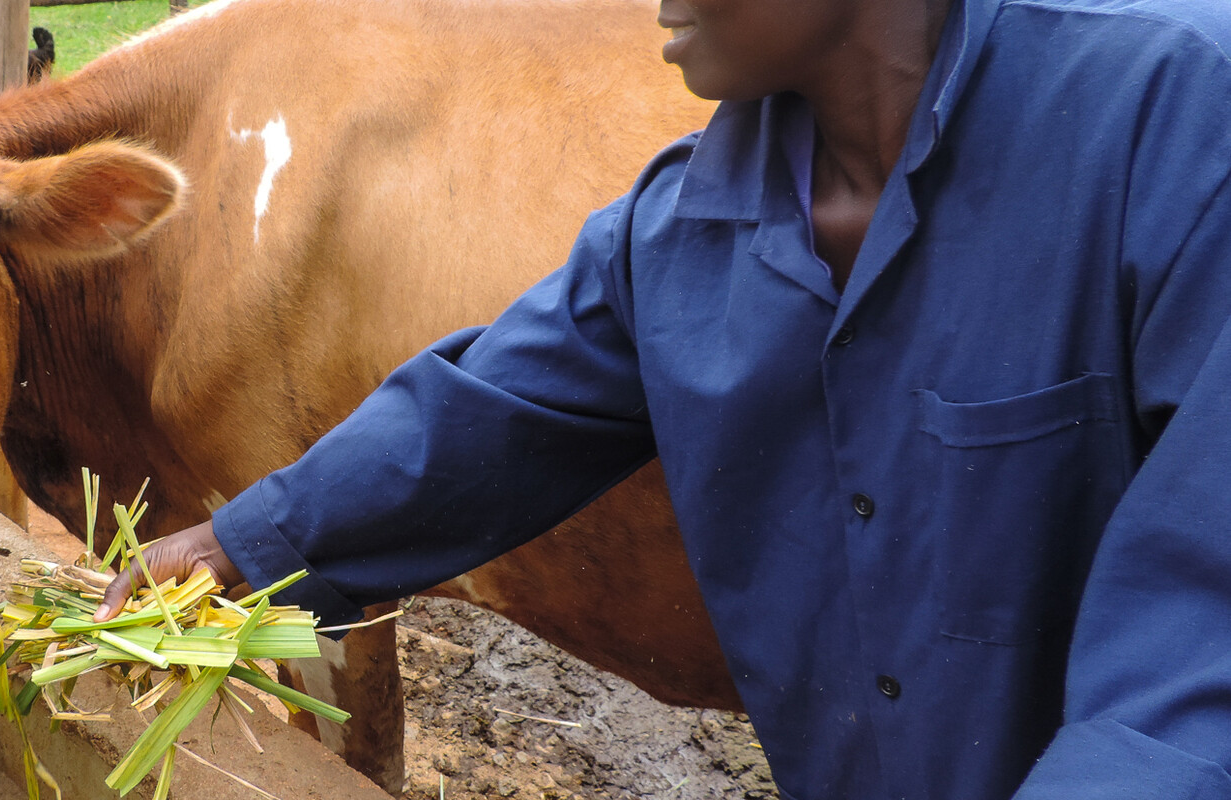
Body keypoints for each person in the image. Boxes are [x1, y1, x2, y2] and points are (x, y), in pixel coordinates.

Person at [95, 0, 1231, 796]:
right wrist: (245, 543)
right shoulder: (685, 226)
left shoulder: (1171, 123)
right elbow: (486, 414)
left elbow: (1198, 629)